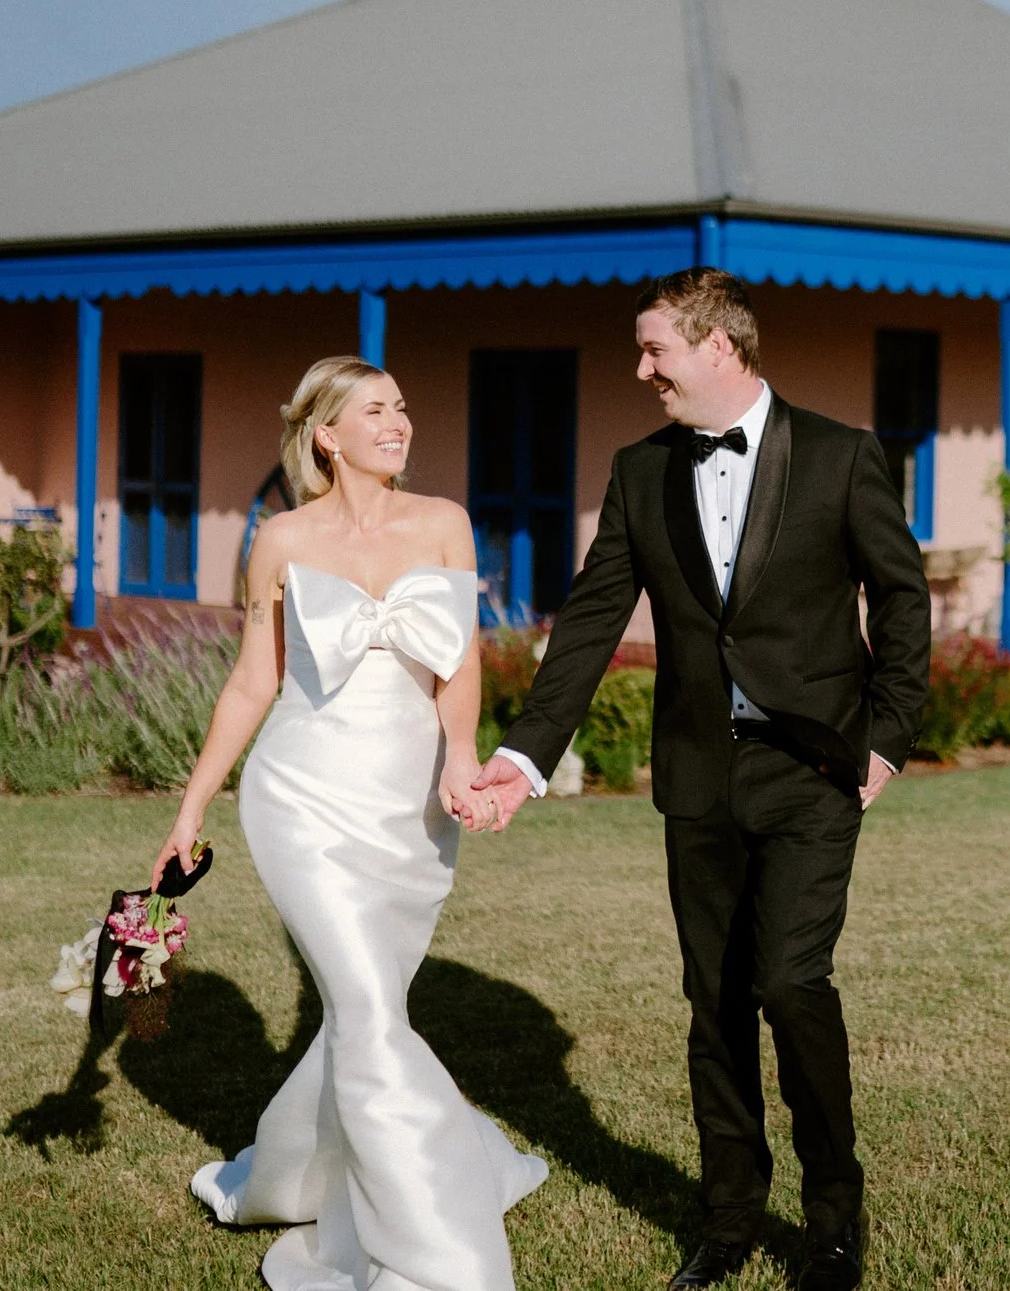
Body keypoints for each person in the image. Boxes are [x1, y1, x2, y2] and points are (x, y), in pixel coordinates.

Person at [471, 269, 930, 1291]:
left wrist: (888, 739)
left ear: (718, 345)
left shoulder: (843, 454)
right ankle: (726, 1215)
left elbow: (902, 598)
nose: (642, 371)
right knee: (713, 1001)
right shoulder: (639, 471)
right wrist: (521, 756)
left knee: (786, 980)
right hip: (697, 774)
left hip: (815, 766)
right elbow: (590, 620)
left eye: (655, 351)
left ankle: (832, 1218)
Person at [149, 356, 547, 1291]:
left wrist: (459, 755)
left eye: (403, 406)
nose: (398, 422)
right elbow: (256, 679)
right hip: (302, 795)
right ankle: (435, 1258)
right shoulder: (281, 538)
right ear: (327, 433)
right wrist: (194, 804)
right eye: (375, 410)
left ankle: (292, 1173)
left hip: (408, 803)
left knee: (368, 1015)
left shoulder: (445, 522)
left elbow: (464, 664)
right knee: (368, 1010)